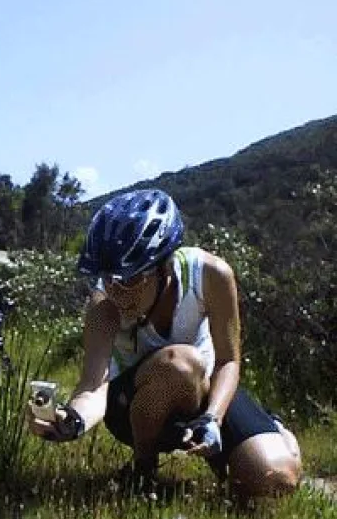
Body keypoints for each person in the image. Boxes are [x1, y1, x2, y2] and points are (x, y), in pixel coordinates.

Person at [29, 188, 302, 500]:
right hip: (131, 407)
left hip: (204, 392)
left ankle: (271, 433)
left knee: (274, 480)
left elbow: (228, 361)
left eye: (131, 280)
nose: (118, 293)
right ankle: (143, 472)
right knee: (180, 363)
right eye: (108, 280)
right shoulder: (103, 305)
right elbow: (94, 384)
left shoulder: (211, 275)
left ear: (164, 265)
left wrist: (212, 419)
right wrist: (71, 421)